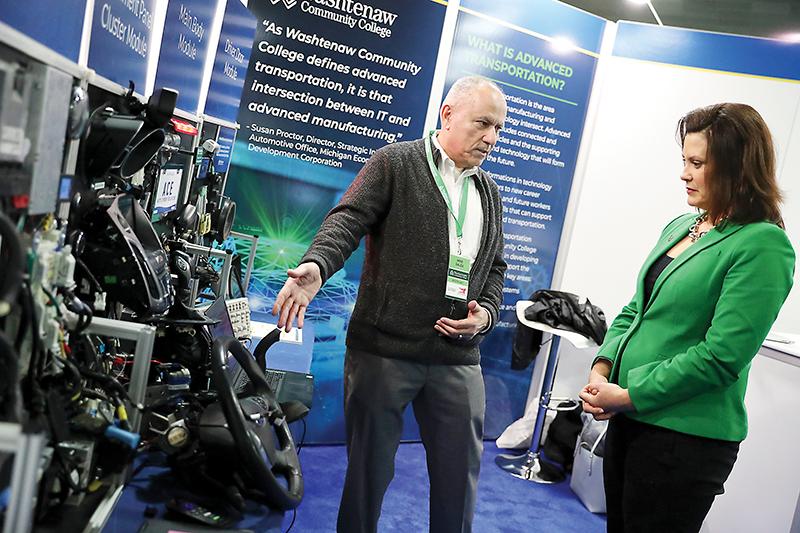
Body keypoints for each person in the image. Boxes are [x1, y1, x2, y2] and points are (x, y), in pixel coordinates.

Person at [272, 76, 507, 533]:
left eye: (498, 128)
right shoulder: (395, 163)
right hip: (384, 351)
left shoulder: (489, 191)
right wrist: (318, 265)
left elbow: (495, 265)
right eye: (482, 123)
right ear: (448, 114)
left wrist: (488, 313)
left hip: (457, 358)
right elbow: (348, 220)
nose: (491, 138)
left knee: (460, 479)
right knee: (368, 475)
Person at [579, 103, 795, 532]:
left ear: (737, 169)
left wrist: (627, 394)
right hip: (632, 421)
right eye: (685, 160)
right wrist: (602, 369)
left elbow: (721, 356)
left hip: (685, 439)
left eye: (697, 163)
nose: (684, 173)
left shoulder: (763, 245)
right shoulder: (682, 225)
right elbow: (635, 309)